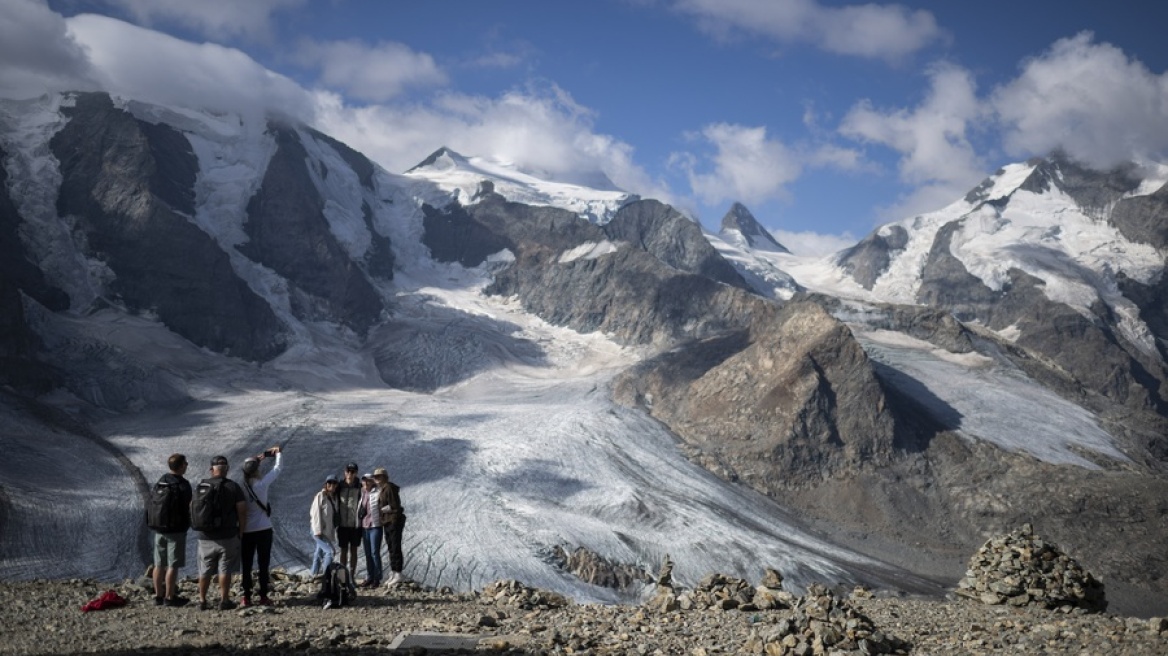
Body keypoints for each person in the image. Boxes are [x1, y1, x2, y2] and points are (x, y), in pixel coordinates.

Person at [193, 455, 247, 611]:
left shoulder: (201, 486)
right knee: (225, 569)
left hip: (205, 536)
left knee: (205, 569)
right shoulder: (233, 487)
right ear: (227, 469)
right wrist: (241, 531)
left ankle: (202, 600)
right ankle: (224, 600)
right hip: (228, 535)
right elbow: (242, 511)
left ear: (212, 470)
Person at [239, 445, 282, 607]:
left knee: (247, 565)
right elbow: (277, 469)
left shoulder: (241, 487)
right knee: (264, 564)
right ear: (257, 470)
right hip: (264, 529)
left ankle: (246, 597)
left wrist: (258, 458)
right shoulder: (262, 484)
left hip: (247, 531)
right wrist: (278, 454)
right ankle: (263, 596)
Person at [149, 453, 192, 607]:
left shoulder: (162, 481)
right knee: (172, 564)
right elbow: (189, 506)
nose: (187, 465)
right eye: (185, 463)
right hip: (176, 530)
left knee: (159, 563)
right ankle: (170, 597)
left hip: (159, 528)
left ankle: (158, 596)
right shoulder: (183, 484)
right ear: (180, 466)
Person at [374, 466, 407, 587]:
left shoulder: (388, 488)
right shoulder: (384, 488)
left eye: (379, 476)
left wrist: (382, 510)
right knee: (391, 547)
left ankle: (398, 573)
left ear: (385, 477)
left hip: (393, 521)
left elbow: (395, 506)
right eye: (375, 476)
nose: (377, 478)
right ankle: (394, 572)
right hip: (388, 522)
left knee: (395, 546)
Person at [334, 462, 363, 581]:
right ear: (345, 472)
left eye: (353, 471)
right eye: (348, 471)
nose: (350, 474)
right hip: (342, 525)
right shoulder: (339, 486)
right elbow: (330, 494)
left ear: (356, 473)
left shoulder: (360, 487)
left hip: (355, 525)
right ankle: (342, 576)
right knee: (343, 550)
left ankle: (351, 576)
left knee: (354, 550)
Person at [309, 475, 339, 578]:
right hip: (318, 530)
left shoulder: (333, 499)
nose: (332, 485)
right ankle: (326, 576)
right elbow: (315, 513)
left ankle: (313, 574)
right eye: (329, 483)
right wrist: (317, 530)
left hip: (325, 531)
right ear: (326, 484)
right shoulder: (320, 496)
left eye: (334, 483)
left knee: (318, 553)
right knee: (330, 552)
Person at [358, 473, 383, 587]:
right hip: (365, 526)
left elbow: (383, 506)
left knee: (374, 552)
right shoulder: (362, 493)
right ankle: (369, 576)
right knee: (368, 553)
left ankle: (377, 578)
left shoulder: (378, 492)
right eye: (364, 481)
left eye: (368, 481)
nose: (366, 483)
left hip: (375, 526)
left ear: (372, 482)